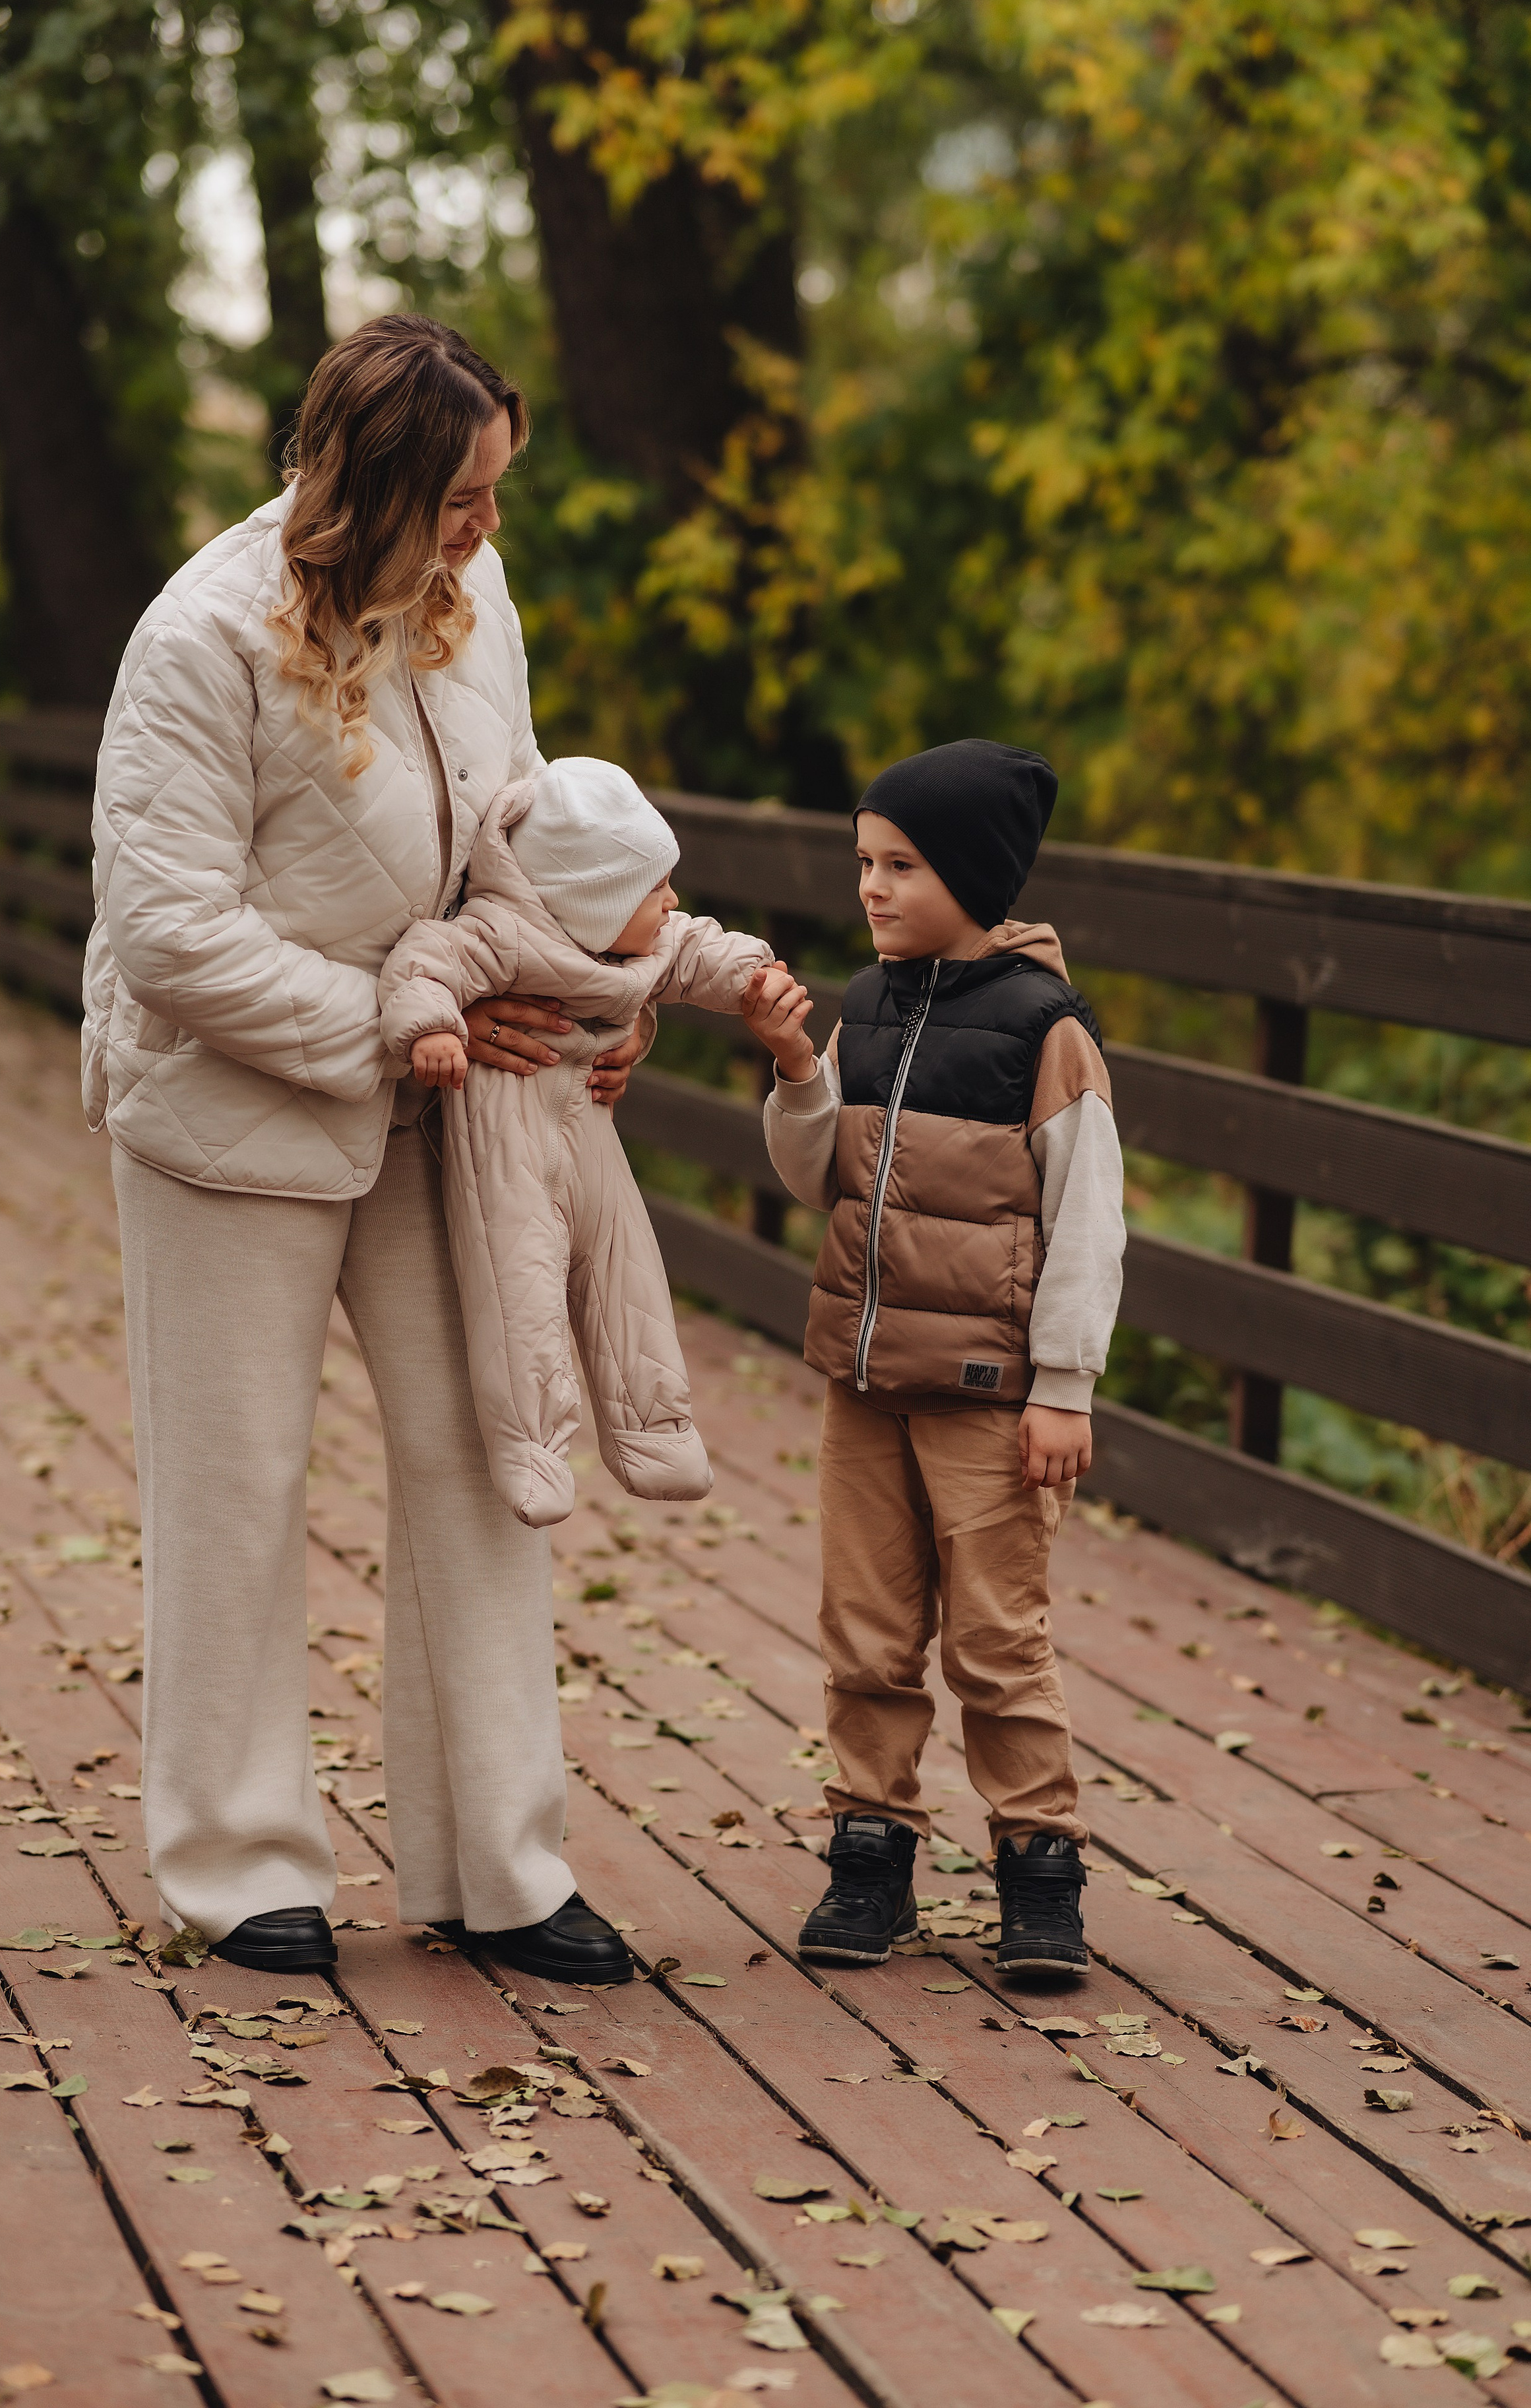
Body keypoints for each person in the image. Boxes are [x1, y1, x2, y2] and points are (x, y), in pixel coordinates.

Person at [82, 314, 642, 1987]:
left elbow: (519, 836)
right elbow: (167, 927)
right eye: (461, 497)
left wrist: (584, 995)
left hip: (443, 1104)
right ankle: (241, 1860)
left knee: (485, 1459)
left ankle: (499, 1866)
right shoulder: (200, 636)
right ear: (374, 484)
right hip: (226, 1112)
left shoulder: (483, 619)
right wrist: (393, 1028)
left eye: (494, 492)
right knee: (235, 1487)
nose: (485, 523)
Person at [745, 739, 1126, 1978]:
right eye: (864, 861)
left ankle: (1040, 1867)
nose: (872, 886)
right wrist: (803, 1068)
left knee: (996, 1637)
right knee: (864, 1626)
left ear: (973, 872)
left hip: (988, 1394)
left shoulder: (1044, 1029)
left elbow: (1088, 1223)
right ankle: (871, 1854)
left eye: (901, 864)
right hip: (866, 1384)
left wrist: (1064, 1387)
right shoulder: (869, 1002)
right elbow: (819, 1178)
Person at [379, 756, 780, 1527]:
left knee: (625, 1275)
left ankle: (654, 1434)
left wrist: (751, 975)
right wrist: (429, 1026)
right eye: (653, 888)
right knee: (518, 1292)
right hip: (510, 1146)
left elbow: (696, 948)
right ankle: (530, 1449)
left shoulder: (639, 941)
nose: (671, 902)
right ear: (589, 899)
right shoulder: (503, 934)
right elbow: (424, 962)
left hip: (593, 1139)